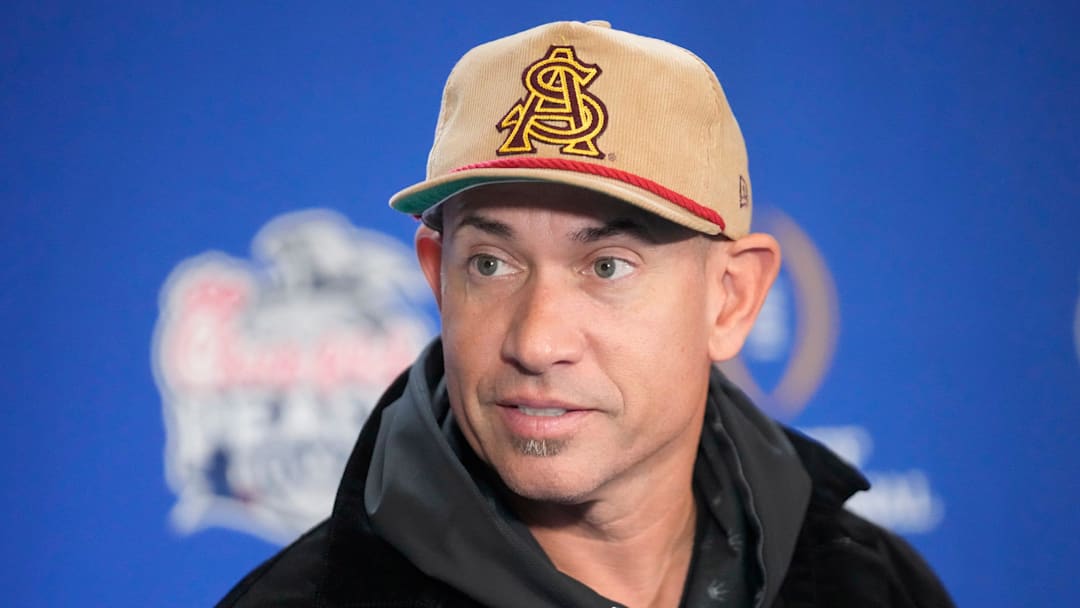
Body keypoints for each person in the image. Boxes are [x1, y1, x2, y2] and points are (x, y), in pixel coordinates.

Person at [217, 20, 954, 608]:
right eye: (490, 264)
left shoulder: (869, 583)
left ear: (731, 299)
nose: (536, 341)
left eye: (607, 267)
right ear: (438, 281)